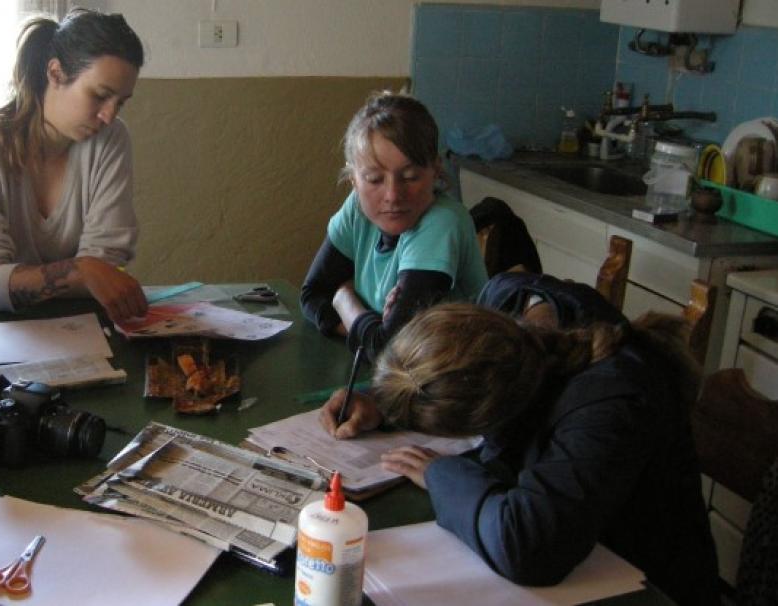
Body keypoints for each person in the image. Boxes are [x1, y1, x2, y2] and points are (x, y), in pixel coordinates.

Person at [318, 302, 720, 605]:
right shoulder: (513, 351)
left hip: (648, 590)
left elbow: (529, 546)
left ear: (492, 418)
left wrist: (442, 474)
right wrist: (384, 406)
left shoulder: (611, 403)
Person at [0, 9, 148, 323]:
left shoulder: (110, 140)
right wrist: (83, 270)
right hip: (2, 332)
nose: (109, 115)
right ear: (55, 73)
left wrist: (4, 284)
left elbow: (106, 269)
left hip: (83, 329)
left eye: (121, 102)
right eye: (100, 96)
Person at [300, 92, 487, 361]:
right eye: (375, 179)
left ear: (435, 171)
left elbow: (389, 351)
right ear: (353, 179)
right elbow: (313, 294)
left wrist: (344, 299)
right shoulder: (358, 208)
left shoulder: (442, 222)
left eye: (410, 177)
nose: (393, 196)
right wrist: (368, 330)